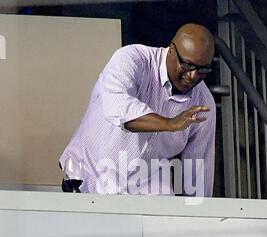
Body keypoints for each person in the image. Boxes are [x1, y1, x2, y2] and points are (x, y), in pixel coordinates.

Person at [60, 23, 216, 196]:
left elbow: (197, 170)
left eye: (203, 69)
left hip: (149, 187)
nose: (193, 75)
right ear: (171, 50)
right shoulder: (133, 59)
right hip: (91, 174)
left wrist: (197, 214)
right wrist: (169, 123)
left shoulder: (203, 102)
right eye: (187, 65)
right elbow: (118, 107)